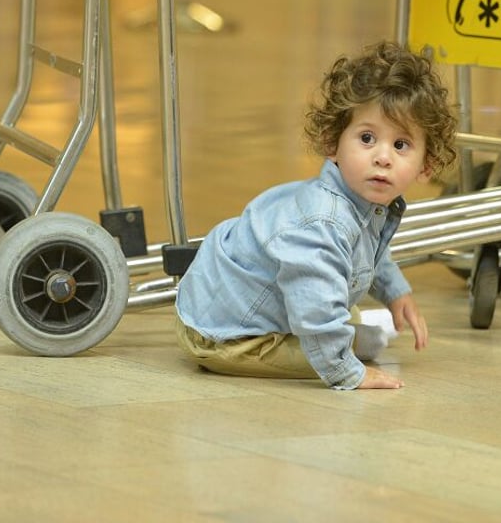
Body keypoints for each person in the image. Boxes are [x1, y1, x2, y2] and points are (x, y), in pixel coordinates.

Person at [174, 41, 458, 390]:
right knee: (356, 343)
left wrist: (396, 292)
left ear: (425, 166)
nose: (383, 157)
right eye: (367, 138)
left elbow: (369, 253)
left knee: (342, 316)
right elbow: (316, 312)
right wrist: (348, 371)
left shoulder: (361, 202)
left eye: (401, 145)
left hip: (230, 306)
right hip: (227, 336)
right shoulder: (324, 222)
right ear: (332, 143)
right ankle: (346, 346)